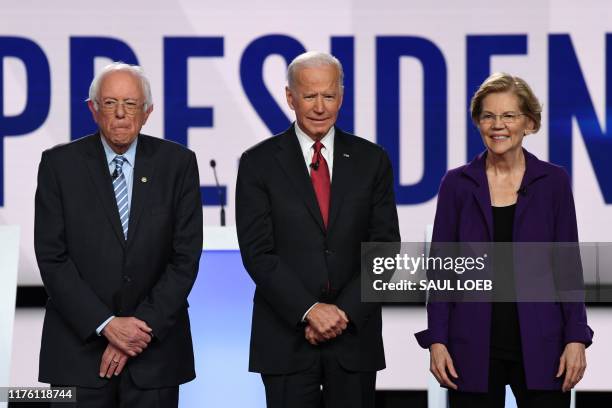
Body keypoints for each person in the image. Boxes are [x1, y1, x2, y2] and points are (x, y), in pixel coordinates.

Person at [415, 72, 594, 407]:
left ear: (529, 122)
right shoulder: (456, 184)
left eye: (509, 115)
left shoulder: (553, 182)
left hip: (544, 346)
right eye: (488, 116)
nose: (498, 125)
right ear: (478, 123)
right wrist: (437, 339)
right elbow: (442, 272)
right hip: (470, 348)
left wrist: (576, 338)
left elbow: (568, 266)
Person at [236, 51, 400, 408]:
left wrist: (343, 313)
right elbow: (257, 253)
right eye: (310, 96)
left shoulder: (372, 160)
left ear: (341, 97)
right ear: (290, 97)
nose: (320, 106)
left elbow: (385, 248)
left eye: (329, 95)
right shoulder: (257, 163)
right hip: (286, 337)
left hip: (354, 336)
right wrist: (310, 310)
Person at [34, 62, 203, 407]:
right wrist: (106, 324)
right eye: (110, 103)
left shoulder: (178, 164)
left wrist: (140, 328)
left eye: (131, 104)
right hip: (77, 356)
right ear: (93, 110)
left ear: (148, 111)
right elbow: (52, 257)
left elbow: (185, 257)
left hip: (155, 355)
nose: (121, 114)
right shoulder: (59, 165)